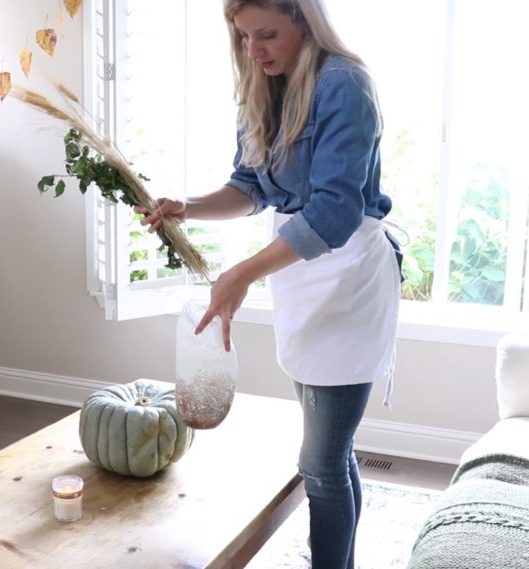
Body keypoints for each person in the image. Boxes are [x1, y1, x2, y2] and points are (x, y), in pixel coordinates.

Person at [136, 1, 401, 567]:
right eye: (244, 37)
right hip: (300, 275)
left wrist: (239, 276)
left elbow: (333, 213)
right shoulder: (264, 83)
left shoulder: (343, 85)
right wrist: (189, 207)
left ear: (305, 22)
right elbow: (251, 187)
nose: (253, 51)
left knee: (320, 463)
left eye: (267, 35)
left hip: (348, 277)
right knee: (332, 454)